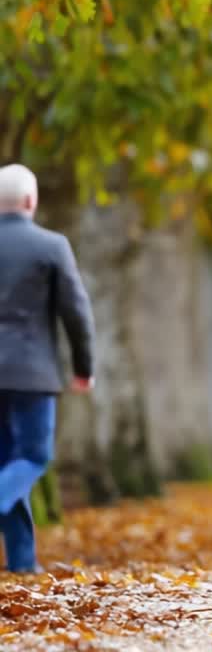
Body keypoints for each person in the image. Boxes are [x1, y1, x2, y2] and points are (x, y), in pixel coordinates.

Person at [0, 163, 95, 573]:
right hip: (33, 376)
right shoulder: (52, 246)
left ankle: (22, 561)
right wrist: (83, 367)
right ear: (31, 201)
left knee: (9, 467)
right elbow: (76, 313)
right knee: (34, 457)